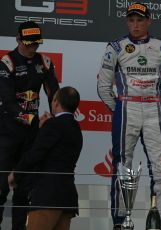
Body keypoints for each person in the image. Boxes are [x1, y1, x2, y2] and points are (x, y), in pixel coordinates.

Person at [97, 2, 161, 230]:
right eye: (131, 20)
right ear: (127, 22)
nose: (135, 25)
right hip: (127, 106)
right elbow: (103, 86)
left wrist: (155, 103)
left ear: (148, 21)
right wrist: (119, 108)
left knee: (160, 166)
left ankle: (160, 219)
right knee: (122, 166)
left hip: (153, 107)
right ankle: (121, 221)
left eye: (140, 20)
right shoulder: (116, 47)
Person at [0, 21, 59, 230]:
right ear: (18, 40)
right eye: (29, 43)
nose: (33, 47)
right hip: (7, 133)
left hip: (32, 135)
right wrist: (31, 119)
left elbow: (54, 94)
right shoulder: (8, 62)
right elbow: (7, 101)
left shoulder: (44, 62)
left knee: (24, 189)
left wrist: (55, 117)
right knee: (1, 187)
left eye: (36, 43)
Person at [8, 86, 83, 230]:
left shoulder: (53, 125)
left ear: (55, 103)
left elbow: (35, 154)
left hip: (48, 196)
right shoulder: (76, 128)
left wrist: (16, 174)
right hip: (67, 198)